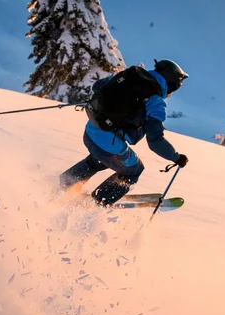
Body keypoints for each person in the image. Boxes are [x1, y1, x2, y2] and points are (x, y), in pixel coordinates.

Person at [59, 59, 189, 206]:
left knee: (99, 160)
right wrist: (176, 157)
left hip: (90, 132)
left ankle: (64, 183)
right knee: (134, 169)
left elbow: (97, 86)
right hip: (108, 145)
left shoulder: (130, 76)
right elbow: (155, 141)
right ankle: (97, 203)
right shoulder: (155, 101)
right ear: (171, 85)